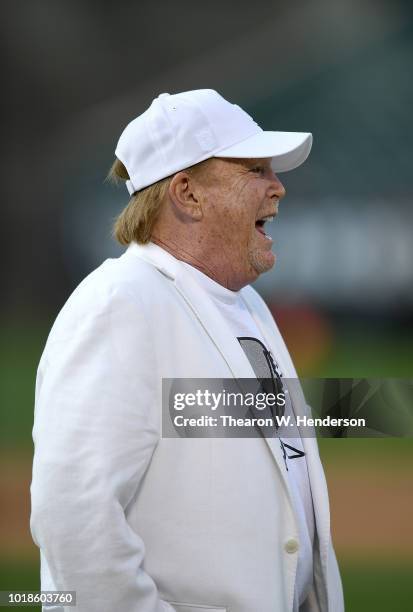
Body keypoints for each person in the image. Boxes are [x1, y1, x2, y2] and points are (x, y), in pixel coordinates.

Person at [30, 89, 344, 612]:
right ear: (187, 193)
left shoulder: (245, 304)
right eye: (255, 169)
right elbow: (75, 519)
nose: (278, 188)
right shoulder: (119, 306)